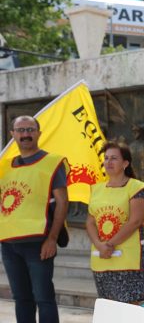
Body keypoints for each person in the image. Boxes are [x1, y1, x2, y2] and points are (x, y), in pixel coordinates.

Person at [0, 116, 69, 323]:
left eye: (30, 129)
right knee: (21, 299)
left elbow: (62, 202)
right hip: (8, 244)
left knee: (44, 298)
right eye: (20, 130)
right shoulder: (3, 166)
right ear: (12, 135)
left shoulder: (52, 162)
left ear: (39, 133)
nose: (25, 134)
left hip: (38, 242)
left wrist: (52, 238)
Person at [86, 141, 144, 304]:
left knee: (129, 309)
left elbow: (135, 221)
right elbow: (90, 222)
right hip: (102, 258)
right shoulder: (96, 189)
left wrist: (109, 244)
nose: (108, 162)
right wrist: (99, 245)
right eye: (106, 158)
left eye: (114, 158)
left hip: (128, 261)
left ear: (125, 163)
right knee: (108, 307)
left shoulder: (137, 188)